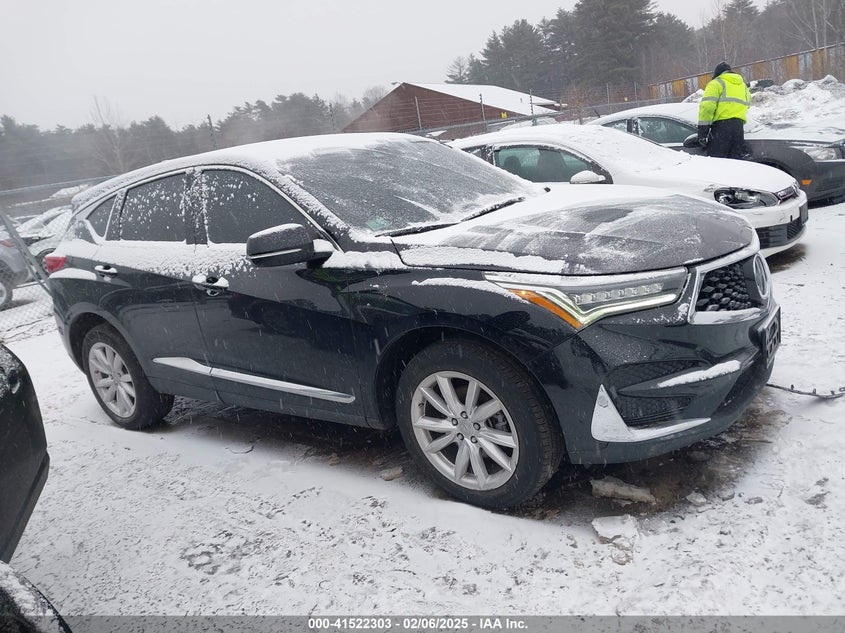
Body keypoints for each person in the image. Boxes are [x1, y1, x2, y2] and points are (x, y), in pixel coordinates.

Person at [697, 61, 751, 159]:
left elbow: (707, 108)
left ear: (717, 74)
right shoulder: (742, 86)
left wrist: (702, 133)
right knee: (735, 163)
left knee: (718, 164)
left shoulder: (716, 83)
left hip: (721, 129)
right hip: (738, 129)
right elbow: (747, 104)